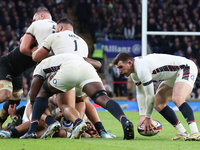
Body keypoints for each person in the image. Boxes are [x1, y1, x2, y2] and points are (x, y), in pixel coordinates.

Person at [20, 22, 134, 140]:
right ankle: (122, 121)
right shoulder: (83, 42)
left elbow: (36, 64)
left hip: (66, 70)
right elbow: (97, 63)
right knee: (99, 99)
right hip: (86, 67)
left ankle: (32, 131)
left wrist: (35, 103)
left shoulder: (47, 55)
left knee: (45, 95)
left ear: (60, 28)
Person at [113, 52, 200, 141]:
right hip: (173, 74)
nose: (119, 71)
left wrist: (148, 117)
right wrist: (142, 116)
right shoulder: (134, 72)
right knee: (158, 103)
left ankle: (195, 132)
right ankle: (182, 132)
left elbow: (150, 96)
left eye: (121, 67)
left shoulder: (141, 69)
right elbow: (140, 93)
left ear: (130, 63)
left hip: (185, 67)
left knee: (177, 98)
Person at [0, 9, 56, 129]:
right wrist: (38, 54)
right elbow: (23, 48)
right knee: (6, 95)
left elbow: (23, 46)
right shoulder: (55, 30)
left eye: (34, 19)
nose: (33, 22)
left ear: (42, 16)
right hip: (6, 64)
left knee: (13, 102)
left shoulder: (38, 26)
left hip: (18, 71)